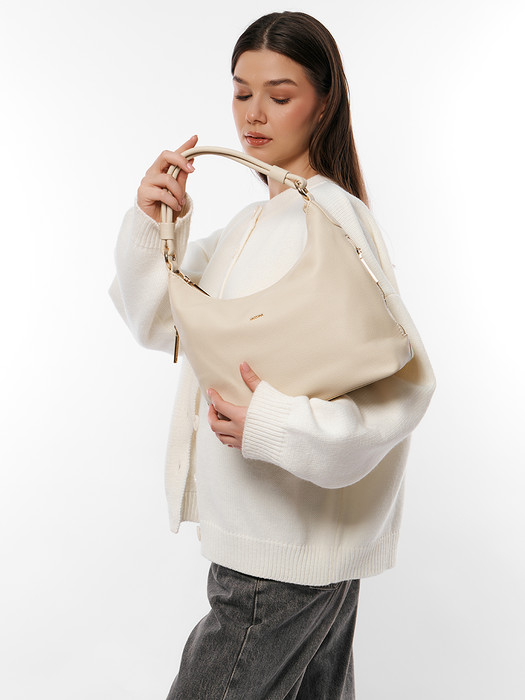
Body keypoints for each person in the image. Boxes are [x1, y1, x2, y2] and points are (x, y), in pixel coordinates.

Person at [109, 11, 436, 700]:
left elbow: (402, 387)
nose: (253, 115)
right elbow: (163, 322)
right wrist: (154, 220)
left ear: (323, 102)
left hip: (279, 563)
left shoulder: (333, 218)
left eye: (279, 95)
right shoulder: (253, 223)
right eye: (241, 92)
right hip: (281, 550)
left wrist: (272, 425)